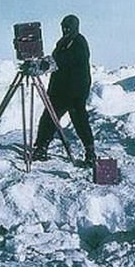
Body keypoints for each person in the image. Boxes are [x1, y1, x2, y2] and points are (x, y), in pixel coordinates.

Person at [34, 14, 96, 165]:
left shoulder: (79, 42)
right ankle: (41, 148)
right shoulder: (62, 43)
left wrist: (46, 64)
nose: (65, 29)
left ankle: (90, 152)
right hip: (60, 90)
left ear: (75, 27)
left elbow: (68, 59)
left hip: (75, 91)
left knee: (80, 121)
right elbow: (58, 61)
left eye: (68, 27)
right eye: (63, 27)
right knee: (48, 119)